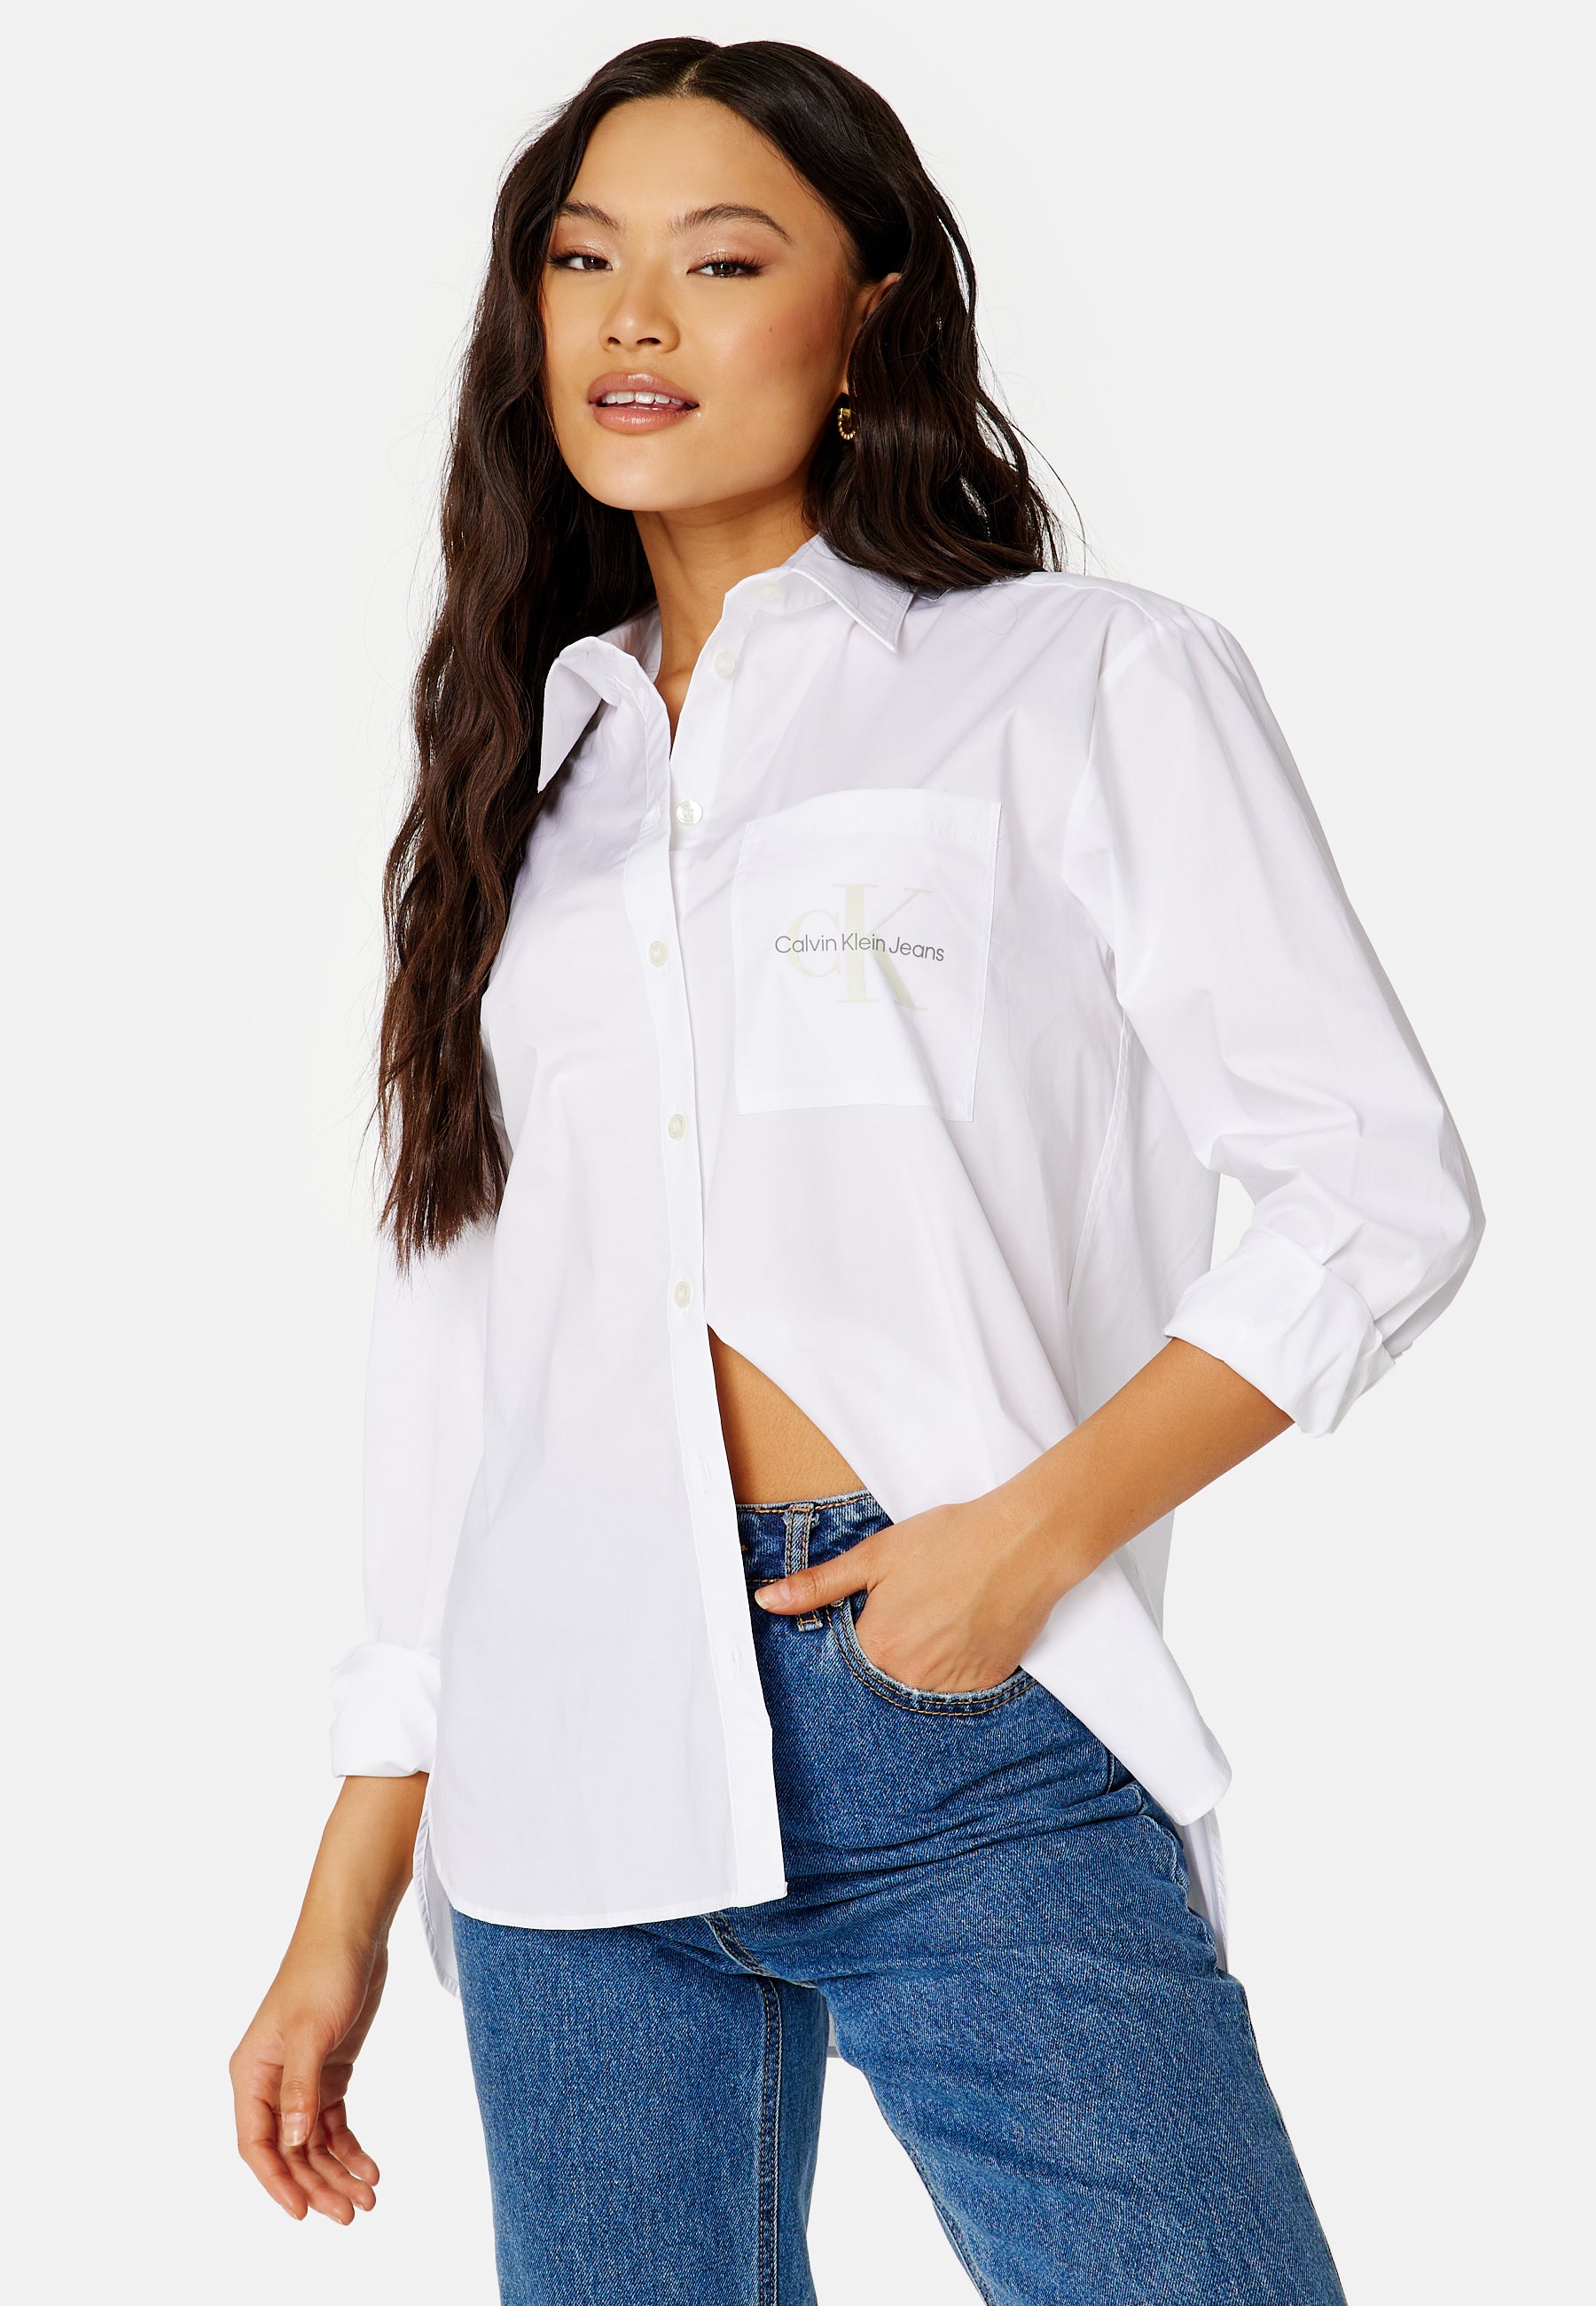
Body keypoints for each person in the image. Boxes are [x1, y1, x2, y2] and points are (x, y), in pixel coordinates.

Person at [230, 36, 1483, 2305]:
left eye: (723, 263)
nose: (635, 321)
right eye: (582, 262)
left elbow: (1375, 1184)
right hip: (562, 1757)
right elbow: (458, 1370)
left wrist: (1027, 1541)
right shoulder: (525, 780)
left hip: (955, 1712)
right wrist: (343, 1899)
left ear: (870, 312)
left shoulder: (1080, 682)